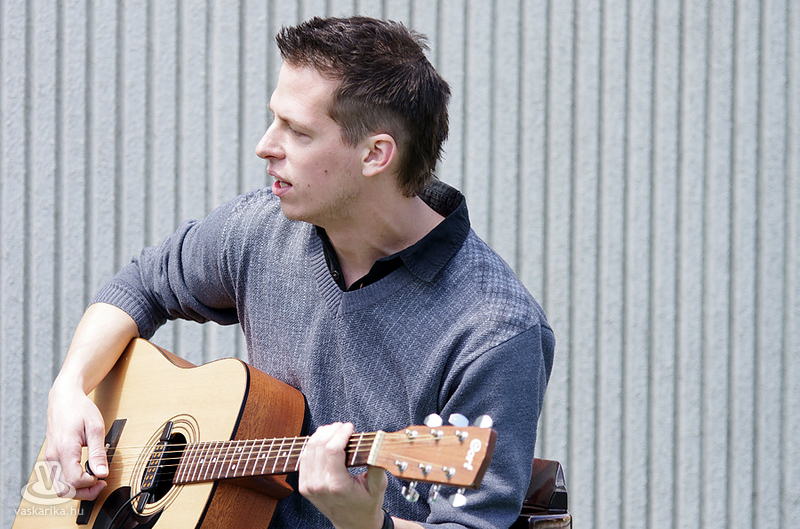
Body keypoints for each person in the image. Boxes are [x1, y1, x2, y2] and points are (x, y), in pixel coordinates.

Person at [45, 16, 554, 529]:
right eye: (275, 119)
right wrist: (69, 388)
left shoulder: (494, 331)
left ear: (375, 154)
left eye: (298, 131)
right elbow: (140, 286)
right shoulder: (258, 229)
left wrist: (367, 524)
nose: (266, 145)